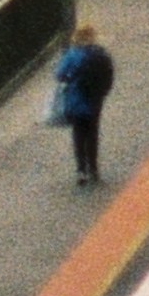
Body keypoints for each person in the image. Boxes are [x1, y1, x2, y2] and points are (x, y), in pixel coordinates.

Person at [47, 23, 119, 187]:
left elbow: (59, 75)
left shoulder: (72, 55)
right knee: (93, 132)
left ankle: (81, 169)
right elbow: (108, 75)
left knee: (79, 134)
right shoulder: (100, 54)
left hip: (76, 98)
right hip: (95, 99)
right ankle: (93, 167)